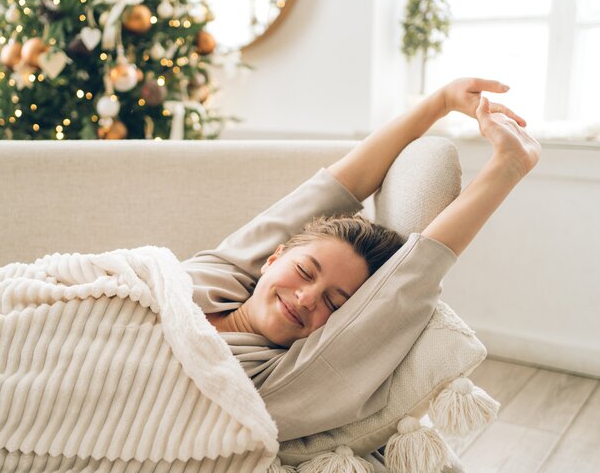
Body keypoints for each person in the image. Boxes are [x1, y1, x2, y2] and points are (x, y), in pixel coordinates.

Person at [181, 77, 541, 441]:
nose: (306, 298)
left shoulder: (274, 378)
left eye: (334, 302)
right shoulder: (216, 277)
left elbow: (410, 281)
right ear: (273, 258)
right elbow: (327, 192)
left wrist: (509, 166)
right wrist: (441, 101)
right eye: (304, 271)